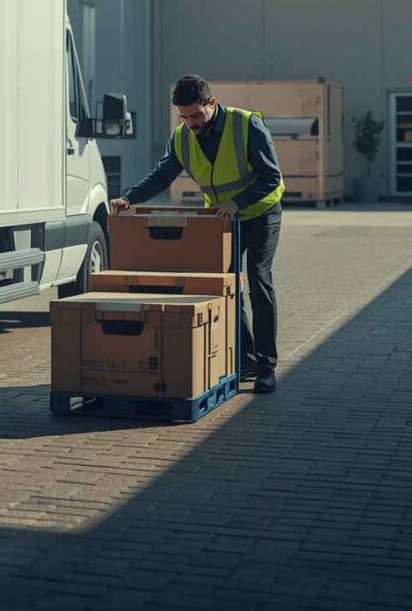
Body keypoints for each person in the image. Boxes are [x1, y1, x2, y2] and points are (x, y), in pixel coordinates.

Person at [110, 75, 284, 394]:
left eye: (196, 115)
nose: (191, 123)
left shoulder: (247, 127)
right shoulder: (182, 138)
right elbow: (161, 176)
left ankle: (267, 366)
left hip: (260, 213)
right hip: (222, 221)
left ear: (211, 103)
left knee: (258, 280)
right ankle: (244, 360)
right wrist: (129, 197)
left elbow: (272, 177)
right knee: (224, 285)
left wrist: (236, 203)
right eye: (184, 117)